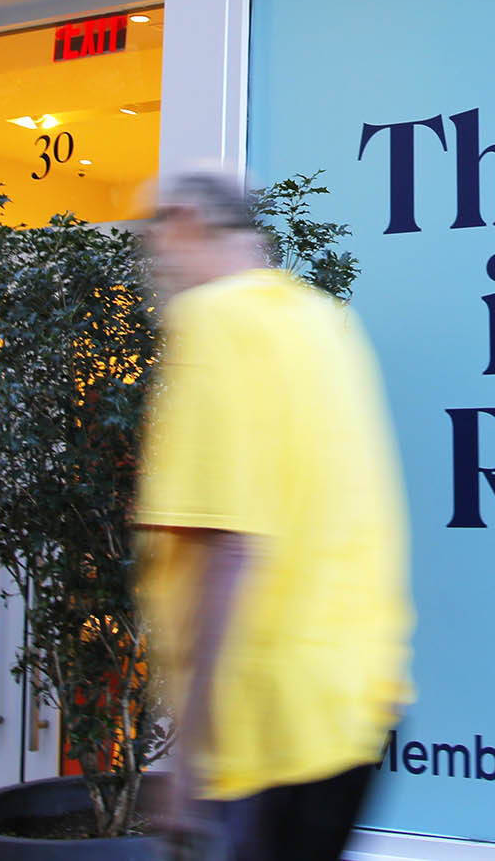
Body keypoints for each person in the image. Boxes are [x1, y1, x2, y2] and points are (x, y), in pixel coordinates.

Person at [137, 166, 413, 861]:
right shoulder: (323, 319)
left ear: (188, 224)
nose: (154, 261)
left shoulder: (213, 319)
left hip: (268, 722)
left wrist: (187, 758)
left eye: (155, 238)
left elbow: (226, 545)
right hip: (353, 700)